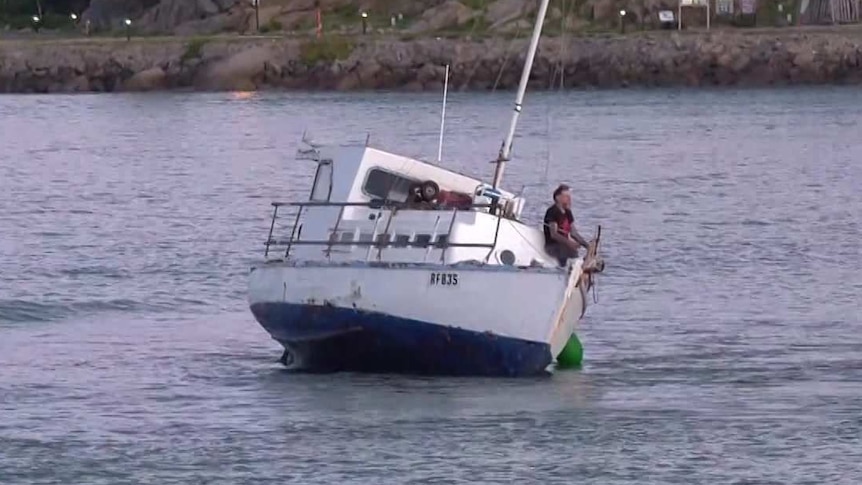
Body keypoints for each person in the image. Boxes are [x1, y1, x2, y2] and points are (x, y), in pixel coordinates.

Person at [543, 184, 589, 266]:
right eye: (566, 196)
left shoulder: (568, 212)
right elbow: (554, 234)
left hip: (565, 246)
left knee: (573, 252)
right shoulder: (552, 211)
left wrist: (587, 246)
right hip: (553, 246)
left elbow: (574, 233)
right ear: (558, 197)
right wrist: (569, 243)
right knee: (567, 252)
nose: (569, 199)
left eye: (569, 196)